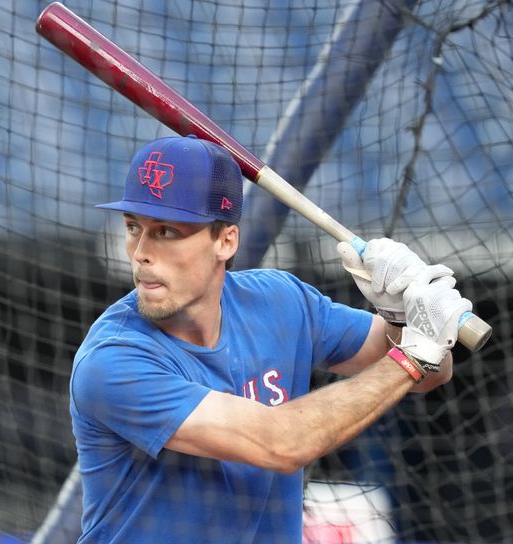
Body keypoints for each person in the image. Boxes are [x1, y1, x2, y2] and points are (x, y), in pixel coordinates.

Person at [69, 134, 472, 543]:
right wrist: (412, 355)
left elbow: (433, 372)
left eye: (167, 232)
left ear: (225, 240)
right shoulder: (112, 360)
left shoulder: (280, 301)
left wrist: (399, 317)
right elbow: (281, 443)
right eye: (133, 227)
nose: (140, 252)